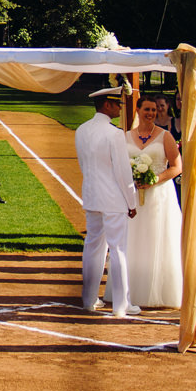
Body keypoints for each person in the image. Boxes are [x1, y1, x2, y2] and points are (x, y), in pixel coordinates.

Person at [75, 87, 139, 316]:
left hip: (92, 196)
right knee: (118, 249)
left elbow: (84, 165)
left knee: (92, 248)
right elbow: (123, 173)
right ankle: (122, 305)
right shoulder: (114, 134)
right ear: (107, 105)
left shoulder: (81, 130)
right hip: (113, 199)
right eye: (117, 104)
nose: (120, 108)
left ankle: (89, 299)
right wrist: (132, 202)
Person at [121, 94, 183, 308]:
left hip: (159, 196)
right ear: (138, 111)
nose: (150, 113)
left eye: (154, 110)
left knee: (158, 237)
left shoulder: (165, 136)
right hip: (134, 196)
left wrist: (155, 179)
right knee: (135, 239)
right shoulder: (126, 136)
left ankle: (161, 291)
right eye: (146, 109)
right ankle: (131, 290)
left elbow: (176, 166)